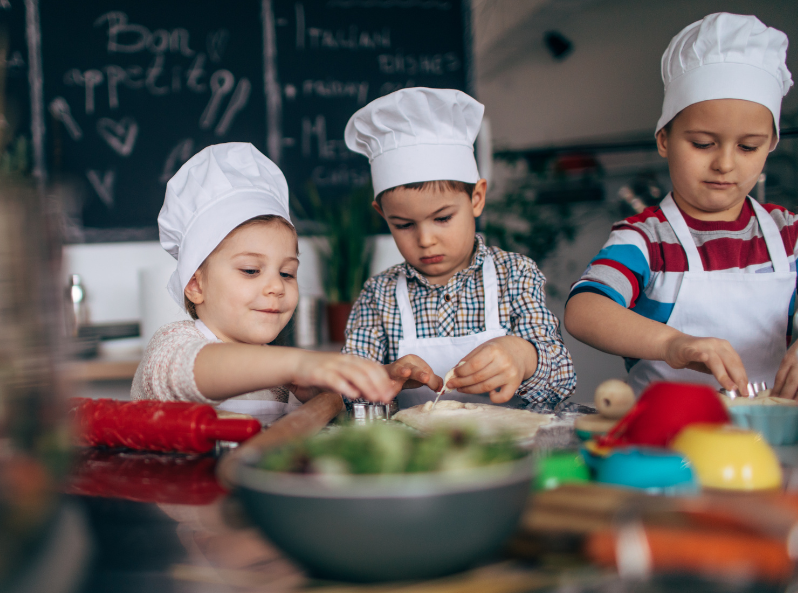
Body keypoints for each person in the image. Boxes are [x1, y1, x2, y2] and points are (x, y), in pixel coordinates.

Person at [565, 13, 798, 397]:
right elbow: (584, 310)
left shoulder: (789, 235)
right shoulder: (646, 240)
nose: (725, 163)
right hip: (667, 442)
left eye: (748, 147)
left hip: (770, 444)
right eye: (703, 144)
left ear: (770, 147)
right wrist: (673, 344)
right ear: (664, 140)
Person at [342, 87, 576, 409]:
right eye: (404, 225)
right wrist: (383, 378)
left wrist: (522, 356)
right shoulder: (379, 294)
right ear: (383, 215)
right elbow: (345, 390)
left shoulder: (515, 274)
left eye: (442, 218)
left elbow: (562, 380)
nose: (425, 240)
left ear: (476, 199)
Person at [131, 143, 392, 424]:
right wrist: (299, 365)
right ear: (195, 285)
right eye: (251, 270)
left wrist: (334, 389)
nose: (277, 287)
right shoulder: (171, 346)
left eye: (287, 273)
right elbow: (194, 369)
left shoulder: (283, 379)